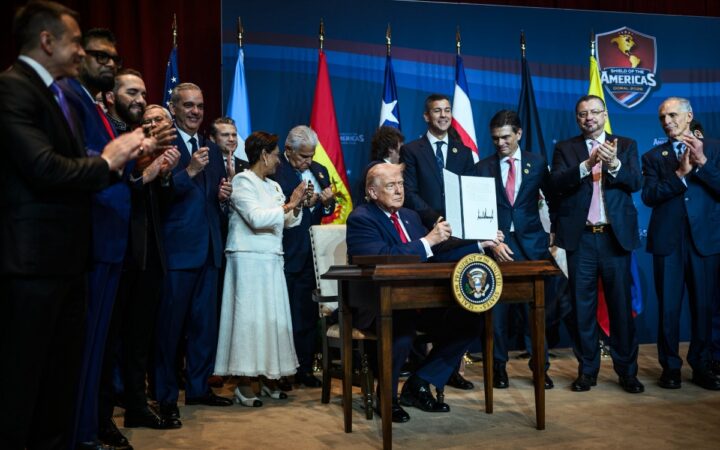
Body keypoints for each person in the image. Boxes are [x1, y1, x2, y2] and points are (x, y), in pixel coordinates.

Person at [0, 2, 143, 448]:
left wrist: (115, 163)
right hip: (31, 265)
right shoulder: (12, 88)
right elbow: (43, 168)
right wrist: (108, 160)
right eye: (76, 42)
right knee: (24, 388)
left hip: (67, 261)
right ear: (47, 41)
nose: (82, 51)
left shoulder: (58, 95)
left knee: (58, 385)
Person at [346, 163, 501, 423]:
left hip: (419, 302)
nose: (399, 191)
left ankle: (419, 382)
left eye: (401, 184)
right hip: (379, 305)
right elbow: (383, 256)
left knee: (471, 319)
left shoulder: (410, 216)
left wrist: (479, 244)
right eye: (391, 185)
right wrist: (428, 240)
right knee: (402, 328)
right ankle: (387, 397)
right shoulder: (361, 218)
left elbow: (435, 256)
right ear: (372, 192)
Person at [550, 94, 643, 394]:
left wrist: (613, 164)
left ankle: (627, 372)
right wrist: (586, 165)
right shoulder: (566, 148)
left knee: (621, 309)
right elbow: (555, 184)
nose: (588, 118)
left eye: (594, 112)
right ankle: (587, 371)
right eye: (582, 114)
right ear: (577, 119)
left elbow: (636, 183)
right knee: (582, 309)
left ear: (604, 114)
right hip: (582, 239)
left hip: (615, 238)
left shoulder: (625, 145)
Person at [154, 83, 234, 426]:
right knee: (170, 331)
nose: (195, 111)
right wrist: (189, 172)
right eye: (188, 105)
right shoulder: (163, 145)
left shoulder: (211, 148)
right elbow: (159, 197)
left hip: (209, 251)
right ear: (173, 108)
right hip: (178, 253)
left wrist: (222, 195)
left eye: (200, 106)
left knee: (204, 327)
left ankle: (199, 388)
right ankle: (165, 397)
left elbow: (209, 199)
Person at [214, 131, 308, 406]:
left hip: (271, 258)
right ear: (264, 155)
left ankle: (267, 377)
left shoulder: (273, 186)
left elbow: (287, 221)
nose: (279, 160)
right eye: (276, 155)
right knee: (248, 320)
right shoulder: (243, 181)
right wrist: (290, 204)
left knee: (269, 320)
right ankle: (243, 382)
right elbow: (255, 218)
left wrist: (297, 206)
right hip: (248, 259)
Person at [641, 97, 720, 390]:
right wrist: (679, 175)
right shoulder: (653, 156)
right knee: (668, 309)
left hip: (704, 241)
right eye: (662, 117)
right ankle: (670, 368)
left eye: (673, 115)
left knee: (704, 308)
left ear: (689, 116)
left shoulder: (714, 149)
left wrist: (702, 163)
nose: (667, 121)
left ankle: (702, 365)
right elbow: (649, 196)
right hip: (668, 242)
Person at [475, 110, 554, 390]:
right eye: (495, 138)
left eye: (506, 137)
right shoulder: (482, 168)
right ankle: (498, 367)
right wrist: (491, 241)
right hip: (496, 248)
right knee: (497, 315)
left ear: (519, 134)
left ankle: (540, 368)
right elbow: (475, 212)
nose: (500, 143)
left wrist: (555, 235)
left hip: (532, 248)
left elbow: (553, 199)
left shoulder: (537, 162)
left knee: (535, 314)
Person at [271, 125, 336, 388]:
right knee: (284, 315)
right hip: (286, 252)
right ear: (288, 150)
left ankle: (305, 368)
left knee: (308, 314)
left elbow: (327, 208)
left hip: (313, 253)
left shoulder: (320, 170)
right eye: (304, 156)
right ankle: (281, 371)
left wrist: (326, 201)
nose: (309, 161)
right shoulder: (275, 169)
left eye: (311, 155)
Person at [400, 93, 475, 229]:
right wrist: (434, 218)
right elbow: (409, 192)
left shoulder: (465, 152)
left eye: (447, 110)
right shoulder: (411, 150)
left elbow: (470, 191)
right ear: (426, 116)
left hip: (458, 228)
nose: (443, 115)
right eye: (437, 111)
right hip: (423, 226)